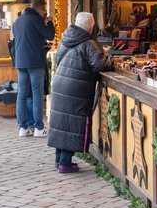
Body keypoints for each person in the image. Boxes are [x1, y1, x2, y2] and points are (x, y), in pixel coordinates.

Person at [47, 13, 111, 174]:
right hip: (76, 87)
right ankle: (65, 163)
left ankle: (59, 160)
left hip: (61, 83)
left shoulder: (65, 39)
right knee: (73, 123)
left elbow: (58, 60)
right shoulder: (89, 43)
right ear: (90, 27)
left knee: (63, 122)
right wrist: (111, 60)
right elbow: (100, 65)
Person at [11, 0, 54, 137]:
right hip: (35, 62)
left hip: (20, 62)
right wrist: (50, 23)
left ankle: (22, 128)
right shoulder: (36, 19)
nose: (45, 13)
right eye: (44, 10)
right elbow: (50, 35)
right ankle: (39, 128)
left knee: (22, 94)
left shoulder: (17, 21)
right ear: (39, 8)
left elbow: (25, 40)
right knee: (37, 94)